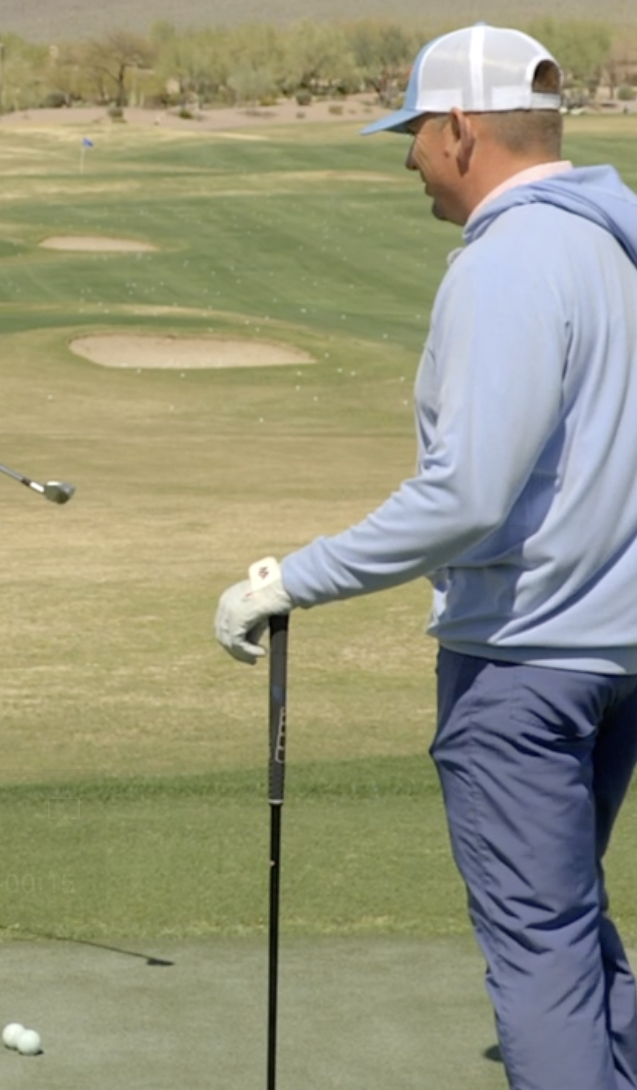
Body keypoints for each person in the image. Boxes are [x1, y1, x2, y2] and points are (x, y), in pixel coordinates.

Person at [214, 24, 637, 1090]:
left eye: (412, 131)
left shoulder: (510, 264)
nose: (405, 156)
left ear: (461, 130)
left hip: (522, 663)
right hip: (616, 652)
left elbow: (467, 491)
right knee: (571, 924)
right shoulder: (616, 243)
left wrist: (289, 577)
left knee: (539, 948)